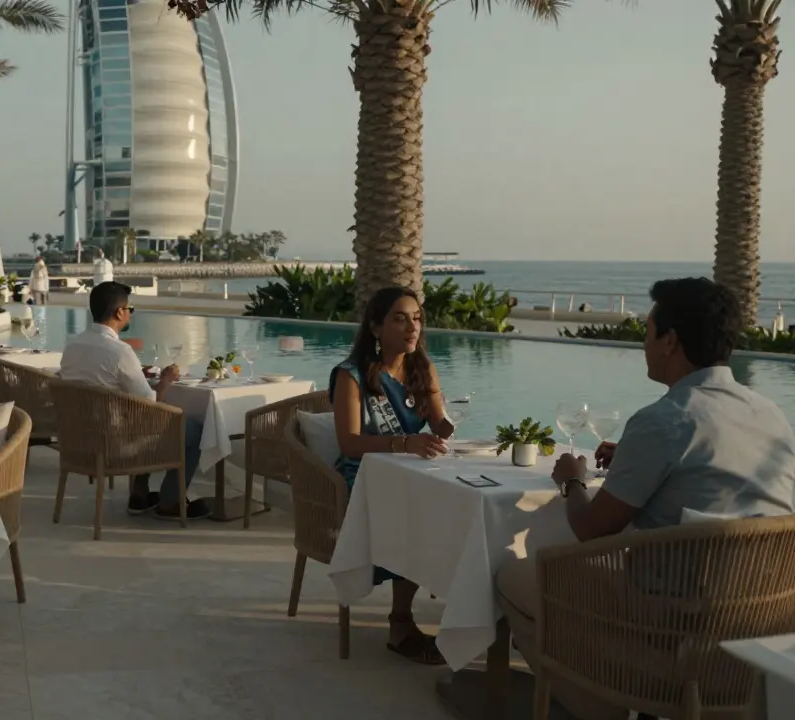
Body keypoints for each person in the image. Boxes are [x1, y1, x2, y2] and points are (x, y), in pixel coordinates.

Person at [495, 277, 795, 720]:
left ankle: (595, 701)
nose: (644, 345)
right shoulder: (769, 413)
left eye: (648, 333)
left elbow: (592, 528)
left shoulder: (666, 419)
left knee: (513, 575)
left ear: (670, 341)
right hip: (762, 612)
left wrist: (573, 479)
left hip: (671, 614)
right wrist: (636, 462)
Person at [329, 285, 454, 665]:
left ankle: (471, 608)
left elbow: (440, 425)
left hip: (413, 470)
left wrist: (449, 423)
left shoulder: (422, 367)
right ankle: (400, 623)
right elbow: (350, 443)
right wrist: (405, 444)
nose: (412, 327)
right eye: (400, 319)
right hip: (364, 474)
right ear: (375, 326)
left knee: (453, 505)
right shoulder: (352, 376)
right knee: (415, 512)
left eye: (416, 318)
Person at [59, 281, 212, 520]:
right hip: (116, 445)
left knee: (139, 419)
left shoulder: (72, 345)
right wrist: (166, 380)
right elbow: (150, 403)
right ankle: (170, 502)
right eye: (130, 308)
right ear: (119, 312)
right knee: (194, 429)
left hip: (79, 440)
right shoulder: (119, 351)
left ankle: (139, 495)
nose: (130, 313)